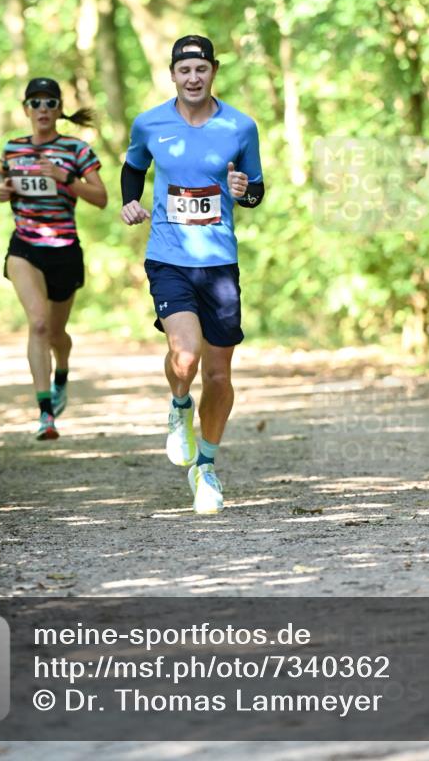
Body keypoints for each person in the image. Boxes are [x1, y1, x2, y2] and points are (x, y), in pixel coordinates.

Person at [120, 35, 264, 513]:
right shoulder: (150, 123)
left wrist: (244, 190)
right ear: (173, 74)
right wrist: (130, 200)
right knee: (186, 356)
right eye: (185, 70)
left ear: (213, 71)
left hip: (219, 263)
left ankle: (205, 466)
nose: (193, 78)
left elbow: (255, 189)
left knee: (219, 376)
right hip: (168, 256)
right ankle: (179, 405)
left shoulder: (240, 127)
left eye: (201, 69)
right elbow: (132, 167)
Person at [0, 77, 107, 440]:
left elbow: (101, 198)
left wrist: (66, 178)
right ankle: (46, 414)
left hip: (64, 250)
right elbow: (2, 184)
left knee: (57, 333)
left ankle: (62, 371)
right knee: (39, 325)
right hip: (25, 247)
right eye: (35, 103)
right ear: (26, 109)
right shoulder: (13, 148)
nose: (42, 110)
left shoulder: (76, 150)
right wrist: (3, 189)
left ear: (59, 109)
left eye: (49, 103)